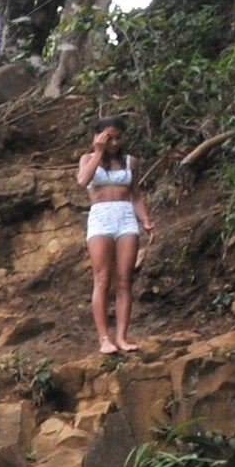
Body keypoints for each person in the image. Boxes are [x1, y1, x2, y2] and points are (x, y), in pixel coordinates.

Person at [77, 118, 151, 355]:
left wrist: (146, 220)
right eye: (110, 137)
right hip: (101, 218)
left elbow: (136, 195)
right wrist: (98, 152)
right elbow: (83, 181)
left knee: (124, 279)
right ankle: (104, 338)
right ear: (99, 136)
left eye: (119, 137)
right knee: (102, 278)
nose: (115, 142)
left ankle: (122, 336)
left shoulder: (130, 161)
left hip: (126, 216)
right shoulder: (88, 159)